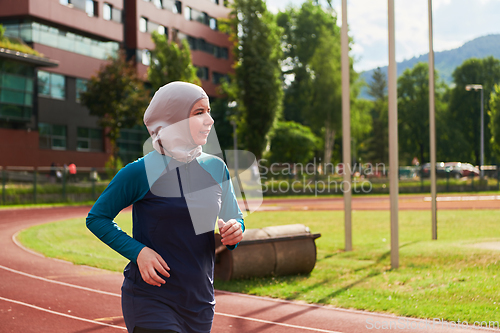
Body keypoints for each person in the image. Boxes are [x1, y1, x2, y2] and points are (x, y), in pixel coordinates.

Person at [86, 81, 245, 333]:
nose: (210, 120)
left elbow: (233, 218)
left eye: (209, 111)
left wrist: (235, 230)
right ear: (175, 119)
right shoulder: (140, 171)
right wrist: (138, 252)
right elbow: (97, 218)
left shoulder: (216, 168)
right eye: (199, 112)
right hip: (151, 299)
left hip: (200, 301)